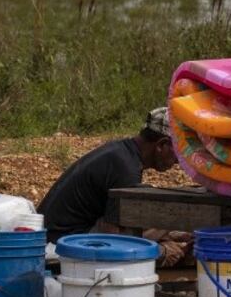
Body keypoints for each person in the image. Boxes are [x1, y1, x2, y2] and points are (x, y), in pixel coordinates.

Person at [38, 108, 191, 266]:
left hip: (56, 233)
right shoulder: (126, 169)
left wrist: (172, 235)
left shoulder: (122, 153)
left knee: (156, 218)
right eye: (178, 154)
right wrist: (162, 251)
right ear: (162, 145)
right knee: (161, 217)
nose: (178, 162)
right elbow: (114, 241)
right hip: (62, 242)